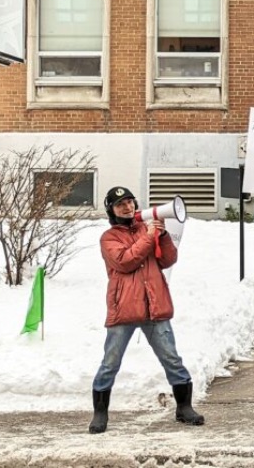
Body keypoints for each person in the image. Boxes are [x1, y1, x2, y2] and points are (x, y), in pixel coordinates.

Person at [89, 186, 204, 434]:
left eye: (130, 202)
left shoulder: (146, 229)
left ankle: (184, 407)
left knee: (171, 359)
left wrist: (163, 236)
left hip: (155, 306)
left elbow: (167, 260)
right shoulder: (109, 238)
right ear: (112, 210)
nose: (127, 207)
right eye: (121, 205)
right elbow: (126, 261)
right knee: (110, 362)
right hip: (124, 309)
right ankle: (100, 413)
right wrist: (150, 236)